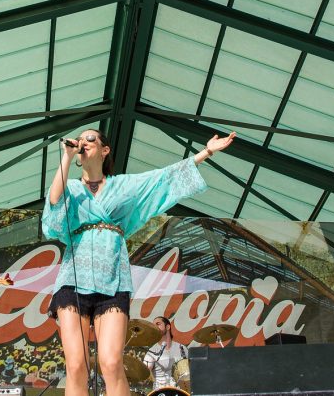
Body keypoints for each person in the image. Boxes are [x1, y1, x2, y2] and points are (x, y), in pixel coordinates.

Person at [43, 127, 235, 396]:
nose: (83, 143)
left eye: (90, 139)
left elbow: (161, 178)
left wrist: (206, 152)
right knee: (76, 365)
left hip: (113, 279)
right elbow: (54, 203)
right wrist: (66, 156)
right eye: (81, 140)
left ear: (105, 149)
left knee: (110, 363)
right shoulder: (72, 187)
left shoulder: (123, 185)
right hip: (73, 282)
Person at [142, 316, 188, 390]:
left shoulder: (181, 348)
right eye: (154, 325)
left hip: (180, 391)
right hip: (160, 392)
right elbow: (144, 375)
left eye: (158, 324)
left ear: (167, 327)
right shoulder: (151, 352)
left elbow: (190, 372)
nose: (155, 327)